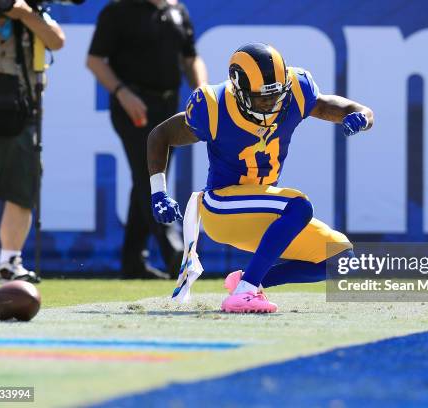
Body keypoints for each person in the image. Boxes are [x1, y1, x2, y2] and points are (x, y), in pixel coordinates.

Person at [147, 42, 374, 313]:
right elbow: (159, 135)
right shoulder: (214, 105)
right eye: (262, 98)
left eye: (277, 95)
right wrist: (158, 191)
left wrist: (362, 116)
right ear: (239, 90)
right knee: (298, 205)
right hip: (221, 206)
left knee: (342, 260)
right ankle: (244, 293)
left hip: (263, 212)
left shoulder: (297, 90)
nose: (271, 104)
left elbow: (345, 107)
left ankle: (248, 281)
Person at [87, 0, 207, 280]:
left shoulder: (177, 10)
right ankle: (176, 252)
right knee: (150, 175)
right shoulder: (118, 10)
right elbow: (94, 60)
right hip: (133, 106)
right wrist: (121, 92)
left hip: (170, 105)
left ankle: (133, 261)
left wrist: (202, 93)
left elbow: (190, 57)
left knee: (146, 178)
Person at [0, 0, 64, 284]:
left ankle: (9, 262)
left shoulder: (30, 13)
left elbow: (57, 42)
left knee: (22, 193)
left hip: (23, 116)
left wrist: (24, 13)